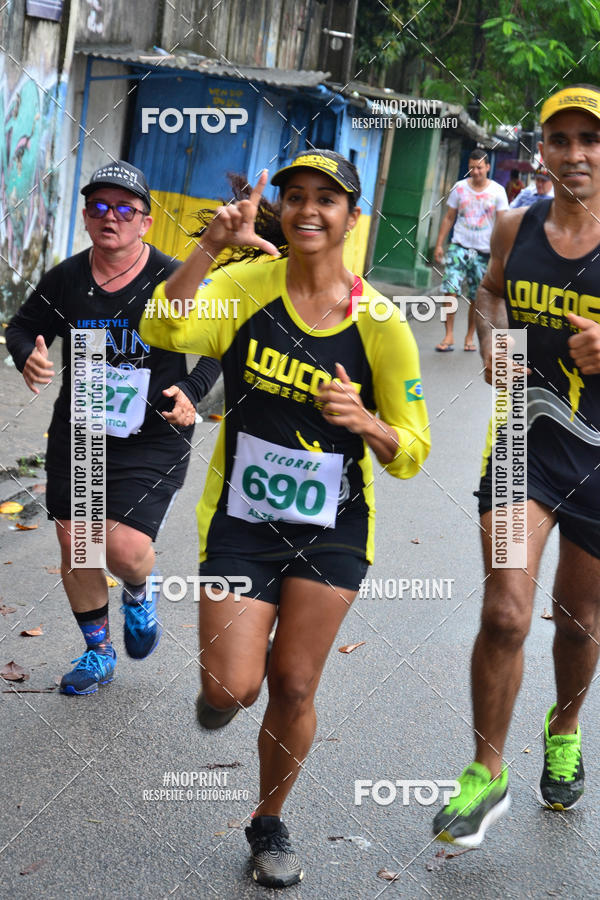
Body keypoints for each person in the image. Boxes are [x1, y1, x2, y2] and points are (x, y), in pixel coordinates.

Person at [140, 149, 430, 888]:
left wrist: (368, 422)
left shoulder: (382, 325)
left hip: (333, 530)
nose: (307, 209)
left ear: (351, 218)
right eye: (295, 195)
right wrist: (209, 245)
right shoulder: (244, 287)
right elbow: (163, 328)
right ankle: (218, 695)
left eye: (326, 199)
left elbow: (413, 449)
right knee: (233, 688)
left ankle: (267, 821)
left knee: (296, 685)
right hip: (242, 520)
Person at [432, 84, 600, 848]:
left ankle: (563, 729)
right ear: (543, 150)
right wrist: (496, 341)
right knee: (505, 611)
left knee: (578, 620)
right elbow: (491, 298)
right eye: (561, 140)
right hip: (523, 450)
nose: (576, 154)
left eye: (590, 140)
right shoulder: (510, 224)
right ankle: (485, 773)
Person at [6, 160, 220, 695]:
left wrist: (191, 394)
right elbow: (24, 327)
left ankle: (140, 592)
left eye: (126, 208)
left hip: (152, 436)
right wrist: (25, 359)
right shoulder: (67, 278)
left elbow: (222, 349)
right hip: (81, 431)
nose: (112, 217)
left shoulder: (173, 278)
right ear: (86, 216)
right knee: (77, 543)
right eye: (100, 207)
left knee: (123, 551)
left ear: (145, 223)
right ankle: (98, 652)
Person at [433, 148, 508, 352]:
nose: (475, 172)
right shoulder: (459, 188)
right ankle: (448, 335)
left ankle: (469, 336)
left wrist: (500, 255)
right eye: (471, 168)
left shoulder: (498, 192)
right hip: (459, 246)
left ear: (487, 167)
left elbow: (502, 224)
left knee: (476, 296)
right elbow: (449, 217)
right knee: (450, 290)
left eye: (479, 168)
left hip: (484, 252)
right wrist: (440, 243)